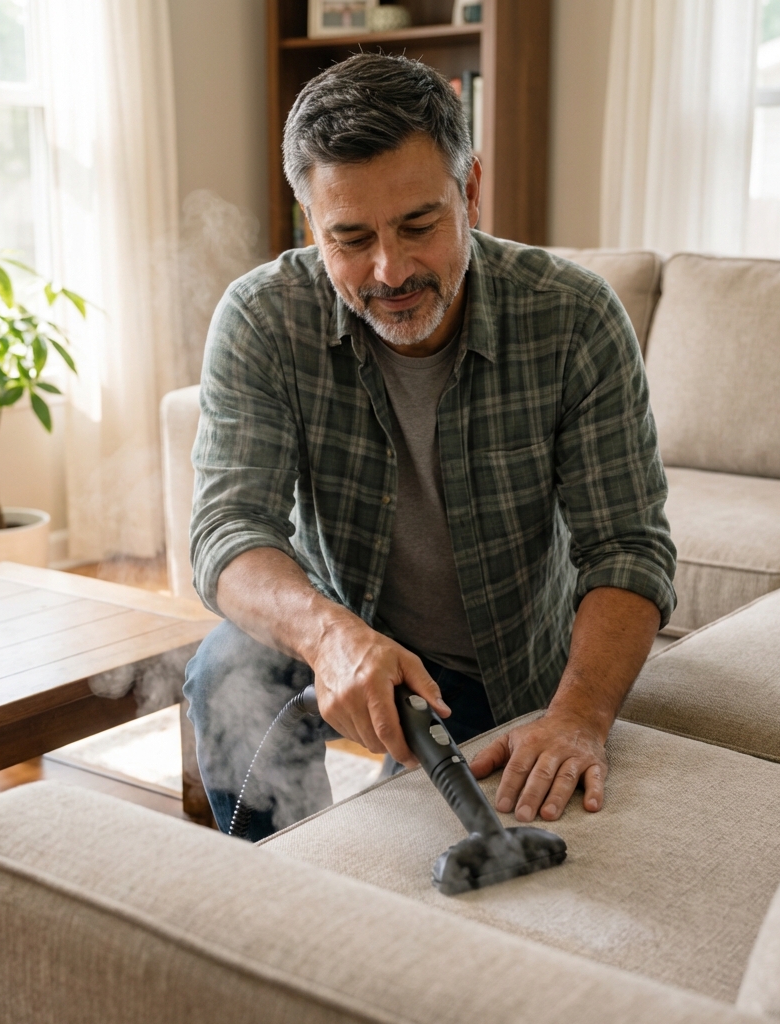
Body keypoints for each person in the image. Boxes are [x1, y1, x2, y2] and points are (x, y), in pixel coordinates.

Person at [184, 53, 676, 840]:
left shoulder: (575, 318)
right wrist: (331, 636)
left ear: (470, 190)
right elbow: (227, 532)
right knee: (226, 672)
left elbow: (629, 550)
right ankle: (283, 899)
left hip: (510, 668)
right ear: (311, 223)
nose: (390, 269)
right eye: (350, 237)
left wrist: (578, 717)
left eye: (419, 225)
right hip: (347, 636)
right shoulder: (262, 318)